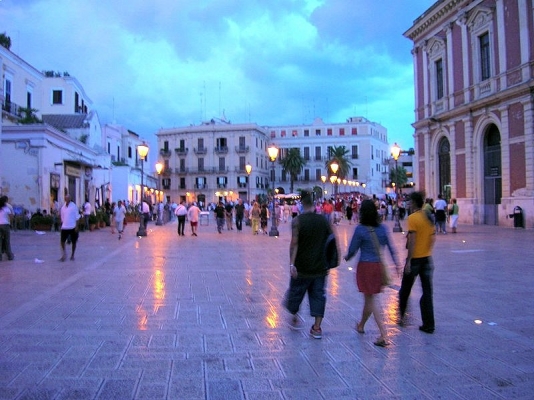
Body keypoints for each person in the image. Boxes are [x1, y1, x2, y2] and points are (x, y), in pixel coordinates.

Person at [344, 200, 400, 347]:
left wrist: (346, 257)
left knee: (371, 300)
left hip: (365, 266)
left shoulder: (360, 229)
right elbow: (391, 248)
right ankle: (361, 325)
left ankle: (383, 334)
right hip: (378, 266)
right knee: (369, 298)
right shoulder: (382, 229)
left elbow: (352, 250)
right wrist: (397, 264)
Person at [284, 188, 334, 339]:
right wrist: (329, 263)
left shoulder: (297, 221)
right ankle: (317, 328)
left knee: (296, 293)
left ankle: (294, 317)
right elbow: (331, 241)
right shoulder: (324, 221)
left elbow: (294, 244)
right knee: (319, 296)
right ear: (314, 203)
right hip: (320, 267)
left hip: (302, 267)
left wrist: (291, 264)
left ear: (301, 203)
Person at [398, 191, 436, 334]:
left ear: (413, 203)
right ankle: (429, 324)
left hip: (415, 260)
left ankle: (402, 318)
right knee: (427, 292)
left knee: (405, 290)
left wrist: (409, 260)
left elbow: (412, 241)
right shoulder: (428, 217)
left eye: (409, 201)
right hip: (427, 258)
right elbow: (432, 238)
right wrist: (427, 250)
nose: (408, 203)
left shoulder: (413, 218)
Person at [60, 194, 80, 262]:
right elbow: (62, 217)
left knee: (74, 242)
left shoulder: (74, 206)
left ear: (70, 199)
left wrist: (76, 226)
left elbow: (77, 217)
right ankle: (64, 253)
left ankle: (72, 255)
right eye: (66, 199)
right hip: (65, 226)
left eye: (68, 198)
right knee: (62, 241)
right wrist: (62, 223)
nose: (67, 200)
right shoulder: (63, 207)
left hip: (72, 226)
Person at [0, 196, 15, 261]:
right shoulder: (7, 208)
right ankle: (10, 255)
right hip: (5, 225)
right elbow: (11, 217)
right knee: (7, 241)